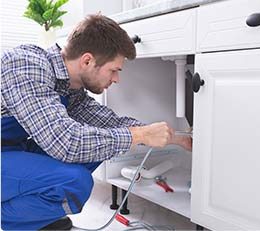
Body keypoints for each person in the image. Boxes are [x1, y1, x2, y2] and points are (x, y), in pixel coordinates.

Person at [1, 14, 192, 230]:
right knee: (75, 181)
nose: (116, 79)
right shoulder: (27, 66)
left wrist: (174, 138)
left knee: (96, 147)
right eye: (114, 70)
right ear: (87, 60)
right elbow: (66, 143)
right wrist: (139, 136)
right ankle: (13, 220)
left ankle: (28, 216)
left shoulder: (69, 88)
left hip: (11, 150)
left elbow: (108, 123)